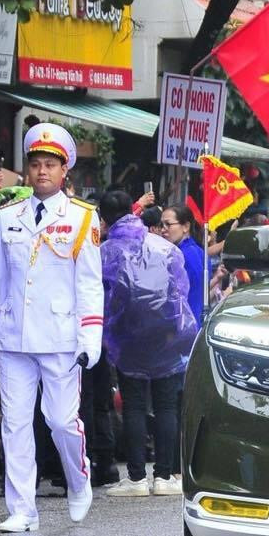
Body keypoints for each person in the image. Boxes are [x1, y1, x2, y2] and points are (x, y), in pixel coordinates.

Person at [0, 123, 103, 533]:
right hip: (14, 336)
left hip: (61, 336)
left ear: (65, 171)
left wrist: (91, 337)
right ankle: (22, 508)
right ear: (27, 169)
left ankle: (78, 479)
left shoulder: (82, 217)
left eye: (50, 164)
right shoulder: (8, 217)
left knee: (61, 421)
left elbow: (90, 284)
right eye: (35, 164)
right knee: (14, 424)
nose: (42, 171)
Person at [100, 194, 197, 497]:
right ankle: (165, 476)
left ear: (104, 218)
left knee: (134, 406)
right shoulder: (165, 247)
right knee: (167, 405)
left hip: (127, 339)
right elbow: (181, 289)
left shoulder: (105, 251)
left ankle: (137, 478)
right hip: (166, 336)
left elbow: (102, 298)